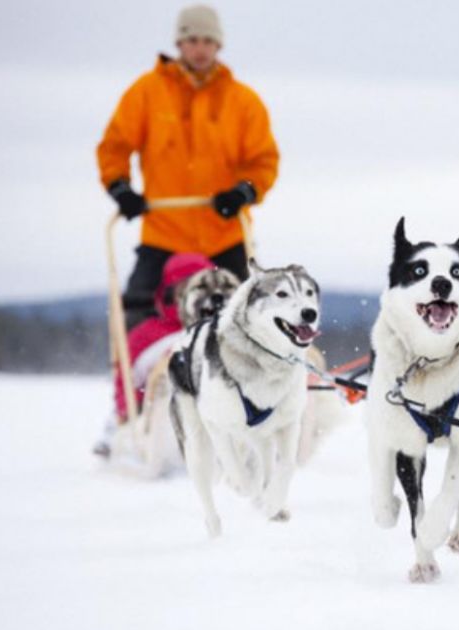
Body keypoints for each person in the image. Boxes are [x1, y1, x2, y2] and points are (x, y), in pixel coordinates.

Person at [97, 4, 278, 329]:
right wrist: (120, 188)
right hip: (163, 232)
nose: (200, 48)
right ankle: (138, 375)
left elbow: (263, 160)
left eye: (208, 41)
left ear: (218, 46)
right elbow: (115, 146)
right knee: (138, 312)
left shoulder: (243, 101)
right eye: (192, 40)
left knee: (253, 313)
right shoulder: (146, 93)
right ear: (179, 44)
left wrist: (244, 191)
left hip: (225, 233)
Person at [96, 253, 215, 458]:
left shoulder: (223, 329)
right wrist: (126, 412)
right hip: (158, 411)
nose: (192, 297)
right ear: (171, 292)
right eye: (185, 288)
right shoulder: (145, 335)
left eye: (200, 289)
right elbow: (125, 381)